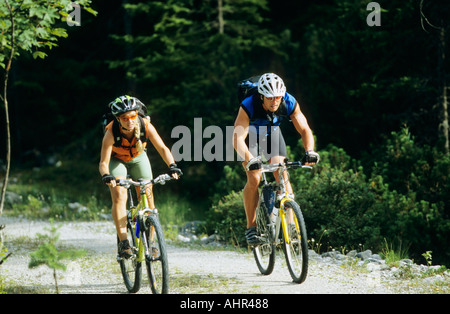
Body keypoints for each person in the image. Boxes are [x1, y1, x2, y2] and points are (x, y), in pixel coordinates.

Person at [233, 73, 319, 245]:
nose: (275, 102)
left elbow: (305, 129)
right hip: (250, 135)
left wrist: (310, 151)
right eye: (270, 98)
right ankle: (251, 227)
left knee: (282, 172)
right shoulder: (249, 104)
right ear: (262, 96)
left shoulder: (288, 102)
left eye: (278, 97)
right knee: (255, 177)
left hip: (271, 134)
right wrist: (250, 159)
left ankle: (291, 224)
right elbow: (237, 139)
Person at [99, 95, 182, 258]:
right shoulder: (111, 132)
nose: (129, 121)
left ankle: (151, 244)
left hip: (138, 157)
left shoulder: (146, 125)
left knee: (148, 198)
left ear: (137, 114)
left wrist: (172, 166)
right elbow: (103, 162)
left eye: (132, 116)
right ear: (118, 119)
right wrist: (107, 176)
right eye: (124, 118)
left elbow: (163, 148)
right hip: (117, 160)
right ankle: (124, 243)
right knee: (119, 194)